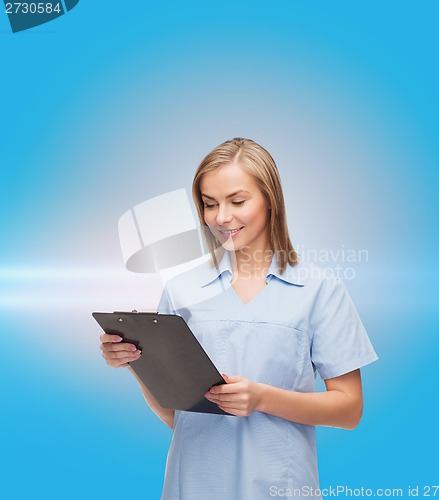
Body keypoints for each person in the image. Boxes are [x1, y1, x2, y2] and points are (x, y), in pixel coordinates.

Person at [99, 138, 378, 499]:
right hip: (193, 486)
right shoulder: (182, 290)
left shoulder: (319, 290)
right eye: (209, 204)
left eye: (238, 201)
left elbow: (349, 409)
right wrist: (136, 363)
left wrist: (261, 399)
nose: (222, 217)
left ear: (270, 200)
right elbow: (176, 416)